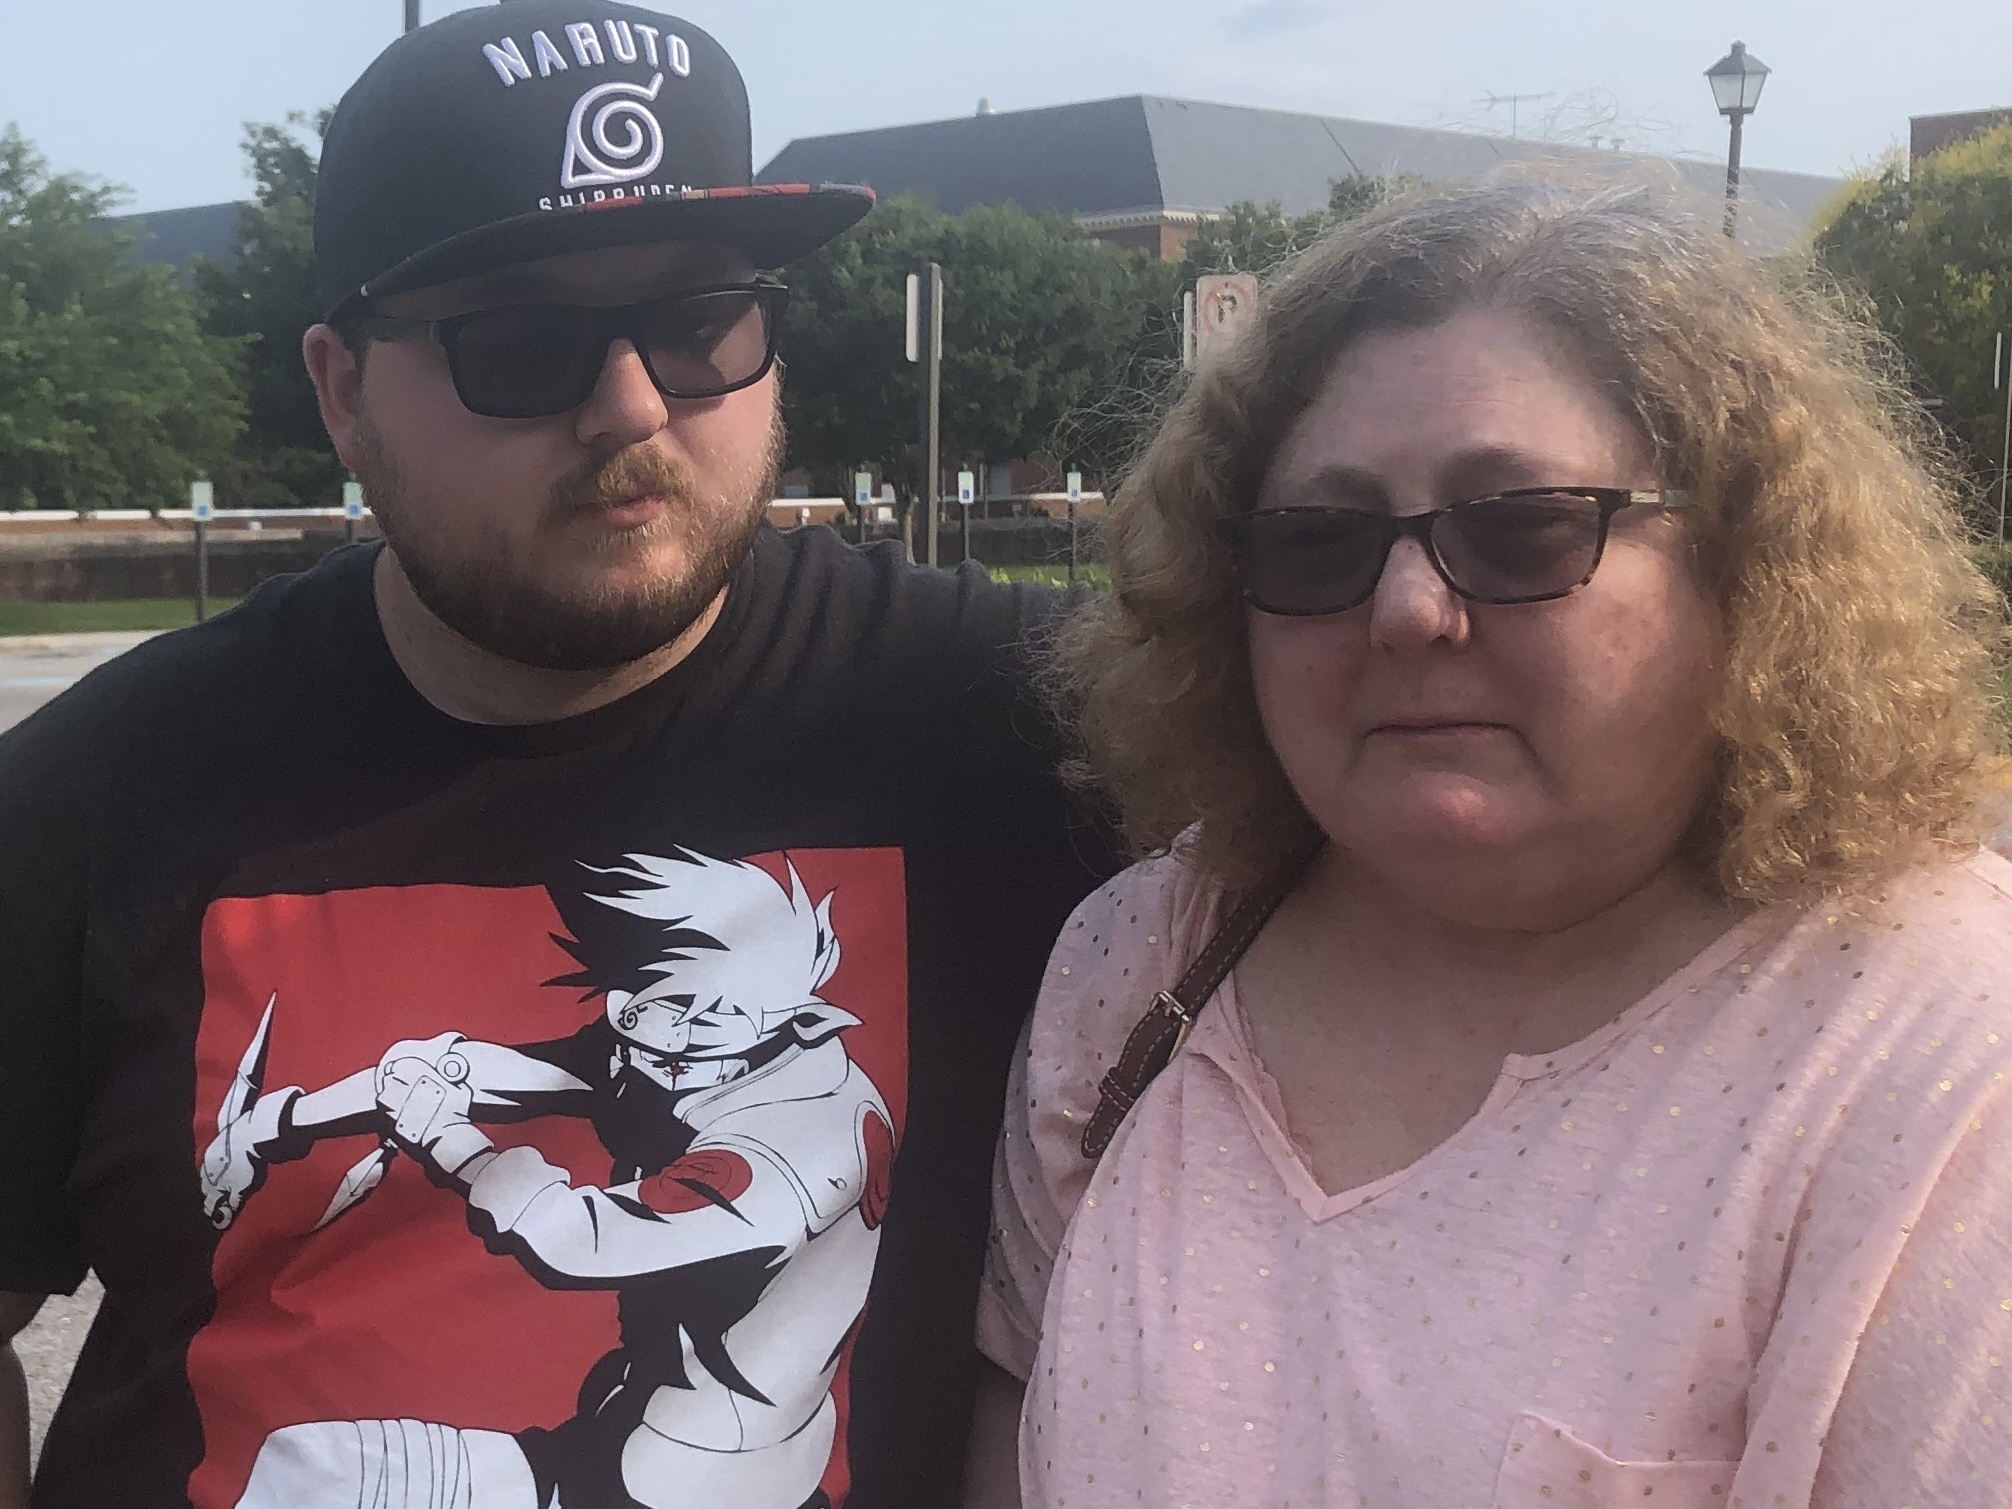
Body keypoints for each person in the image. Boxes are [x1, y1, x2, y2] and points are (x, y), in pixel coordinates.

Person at [0, 6, 1110, 1508]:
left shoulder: (1013, 726)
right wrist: (350, 1107)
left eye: (701, 320)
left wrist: (461, 1141)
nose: (635, 405)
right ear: (341, 390)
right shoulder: (100, 792)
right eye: (521, 341)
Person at [964, 177, 2012, 1509]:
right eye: (1319, 544)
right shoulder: (1141, 962)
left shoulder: (1941, 1048)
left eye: (1521, 529)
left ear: (1745, 564)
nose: (1407, 609)